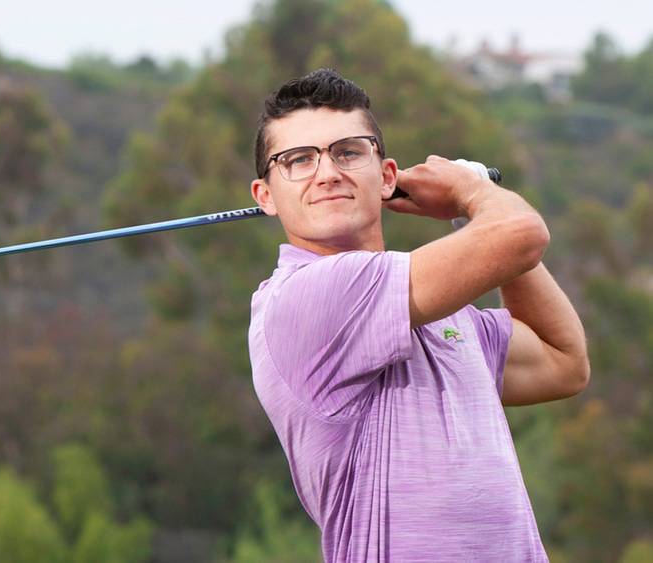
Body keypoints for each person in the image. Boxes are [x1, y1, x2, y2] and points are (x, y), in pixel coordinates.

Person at [247, 68, 590, 562]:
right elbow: (522, 235)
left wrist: (472, 213)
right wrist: (472, 194)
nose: (328, 172)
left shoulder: (439, 312)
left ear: (386, 176)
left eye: (348, 151)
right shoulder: (304, 299)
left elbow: (564, 361)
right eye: (298, 160)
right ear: (265, 196)